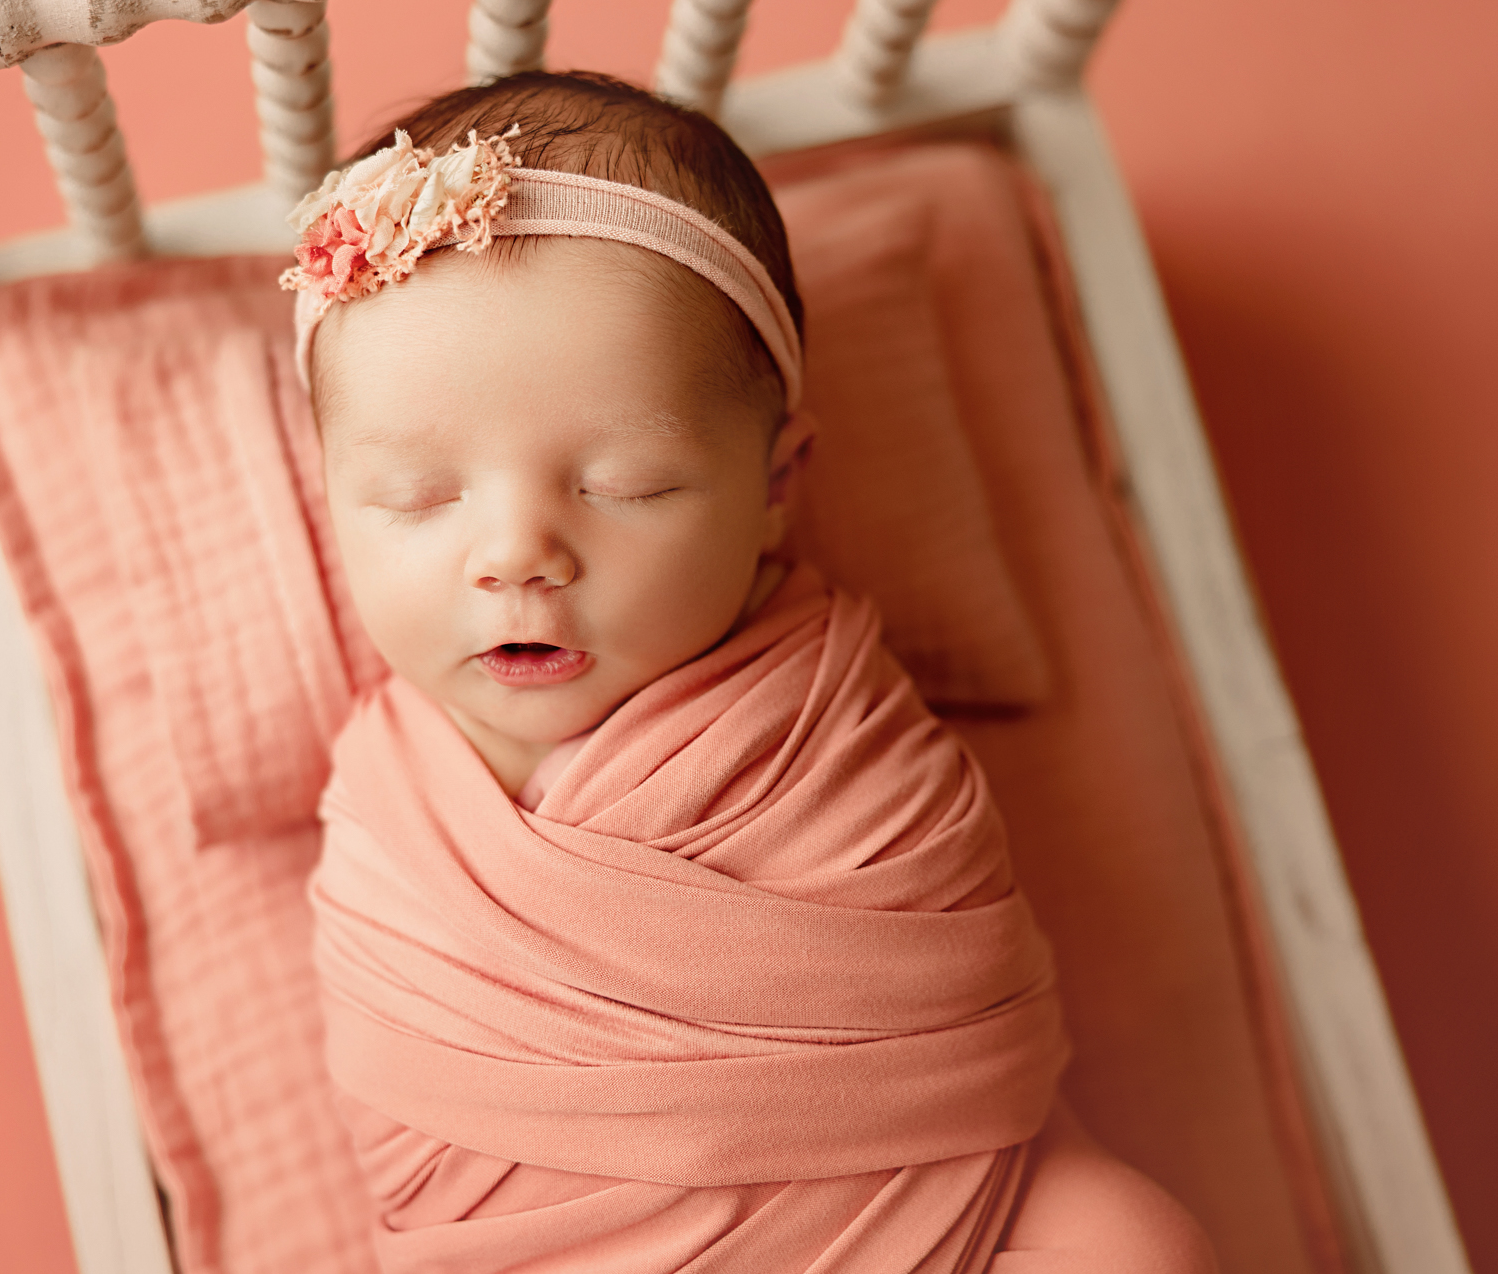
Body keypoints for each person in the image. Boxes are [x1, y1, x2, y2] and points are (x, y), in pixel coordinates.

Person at [291, 70, 1217, 1273]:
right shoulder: (387, 816)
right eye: (417, 497)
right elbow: (412, 1113)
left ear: (777, 487)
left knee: (1133, 1245)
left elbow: (961, 1022)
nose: (515, 553)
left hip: (936, 1212)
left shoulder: (825, 719)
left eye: (625, 486)